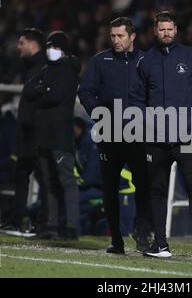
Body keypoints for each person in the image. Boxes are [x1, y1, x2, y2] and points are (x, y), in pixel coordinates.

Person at [135, 11, 192, 258]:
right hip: (156, 139)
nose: (166, 33)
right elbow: (137, 99)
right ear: (155, 31)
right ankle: (161, 245)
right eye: (161, 29)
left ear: (176, 29)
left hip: (186, 136)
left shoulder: (191, 56)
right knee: (156, 191)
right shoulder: (146, 61)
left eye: (169, 29)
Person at [78, 17, 152, 254]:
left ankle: (142, 233)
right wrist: (99, 115)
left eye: (120, 36)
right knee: (109, 187)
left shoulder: (147, 61)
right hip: (109, 133)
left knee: (144, 185)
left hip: (139, 134)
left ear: (132, 37)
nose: (116, 40)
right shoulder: (100, 61)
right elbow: (86, 91)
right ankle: (116, 240)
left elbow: (157, 93)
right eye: (113, 36)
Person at [23, 31, 80, 240]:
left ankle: (72, 227)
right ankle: (52, 225)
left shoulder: (69, 68)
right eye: (48, 46)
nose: (50, 50)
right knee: (49, 183)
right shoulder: (47, 69)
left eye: (54, 46)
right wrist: (44, 90)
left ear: (64, 50)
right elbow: (28, 91)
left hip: (60, 134)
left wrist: (43, 93)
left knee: (66, 181)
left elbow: (55, 95)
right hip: (44, 135)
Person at [0, 28, 47, 234]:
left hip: (37, 134)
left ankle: (42, 224)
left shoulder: (44, 67)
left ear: (33, 44)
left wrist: (33, 126)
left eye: (21, 42)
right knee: (22, 175)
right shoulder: (32, 67)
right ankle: (16, 220)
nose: (18, 47)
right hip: (27, 134)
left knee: (43, 179)